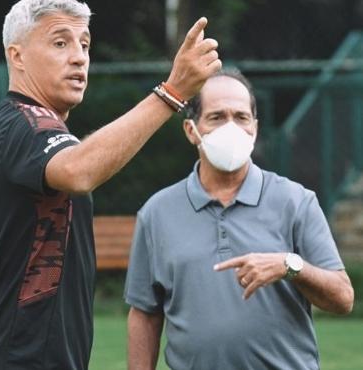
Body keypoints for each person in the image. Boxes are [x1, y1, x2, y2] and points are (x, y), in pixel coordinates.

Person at [0, 0, 222, 370]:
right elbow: (79, 172)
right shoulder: (27, 124)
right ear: (16, 56)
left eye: (84, 44)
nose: (79, 56)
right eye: (60, 42)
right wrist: (172, 93)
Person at [124, 68, 354, 370]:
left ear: (255, 128)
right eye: (217, 117)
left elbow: (343, 298)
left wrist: (289, 265)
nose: (231, 127)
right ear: (191, 130)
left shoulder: (296, 201)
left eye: (241, 117)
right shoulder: (157, 213)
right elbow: (144, 313)